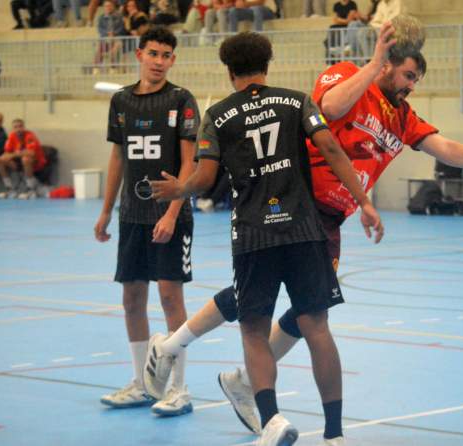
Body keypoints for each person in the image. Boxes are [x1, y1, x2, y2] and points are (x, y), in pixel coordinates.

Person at [141, 16, 463, 443]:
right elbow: (330, 107)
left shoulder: (403, 118)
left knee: (307, 310)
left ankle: (234, 375)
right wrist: (374, 63)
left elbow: (445, 148)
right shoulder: (348, 73)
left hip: (331, 218)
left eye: (417, 80)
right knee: (260, 300)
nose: (411, 86)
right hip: (298, 200)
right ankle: (179, 349)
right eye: (408, 75)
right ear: (388, 65)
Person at [147, 30, 382, 446]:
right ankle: (334, 435)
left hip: (253, 235)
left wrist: (179, 189)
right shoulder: (297, 101)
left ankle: (272, 420)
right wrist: (364, 201)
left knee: (254, 331)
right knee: (317, 328)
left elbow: (204, 177)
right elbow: (331, 149)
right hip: (304, 230)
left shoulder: (218, 115)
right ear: (267, 64)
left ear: (229, 71)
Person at [93, 26, 200, 416]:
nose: (158, 61)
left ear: (173, 60)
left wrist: (172, 213)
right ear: (139, 54)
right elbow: (118, 157)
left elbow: (189, 163)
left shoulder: (181, 99)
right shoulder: (121, 101)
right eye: (153, 53)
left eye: (166, 55)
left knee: (171, 298)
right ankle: (141, 383)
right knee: (132, 300)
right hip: (133, 217)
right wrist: (106, 210)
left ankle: (179, 389)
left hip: (171, 215)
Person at [0, 118, 47, 199]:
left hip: (36, 163)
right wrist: (6, 157)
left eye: (20, 126)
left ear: (24, 127)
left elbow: (31, 153)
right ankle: (10, 189)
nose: (18, 129)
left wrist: (12, 155)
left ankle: (31, 190)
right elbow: (7, 153)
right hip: (20, 163)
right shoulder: (12, 136)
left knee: (26, 159)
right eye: (16, 127)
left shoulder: (30, 135)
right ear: (13, 129)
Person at [94, 0, 126, 71]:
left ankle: (113, 68)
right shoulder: (101, 17)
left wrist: (114, 33)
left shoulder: (119, 16)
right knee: (100, 48)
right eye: (106, 6)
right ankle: (96, 68)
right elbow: (100, 29)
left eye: (109, 6)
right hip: (106, 38)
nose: (108, 7)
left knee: (115, 47)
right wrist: (107, 33)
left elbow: (121, 28)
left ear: (113, 7)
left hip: (116, 38)